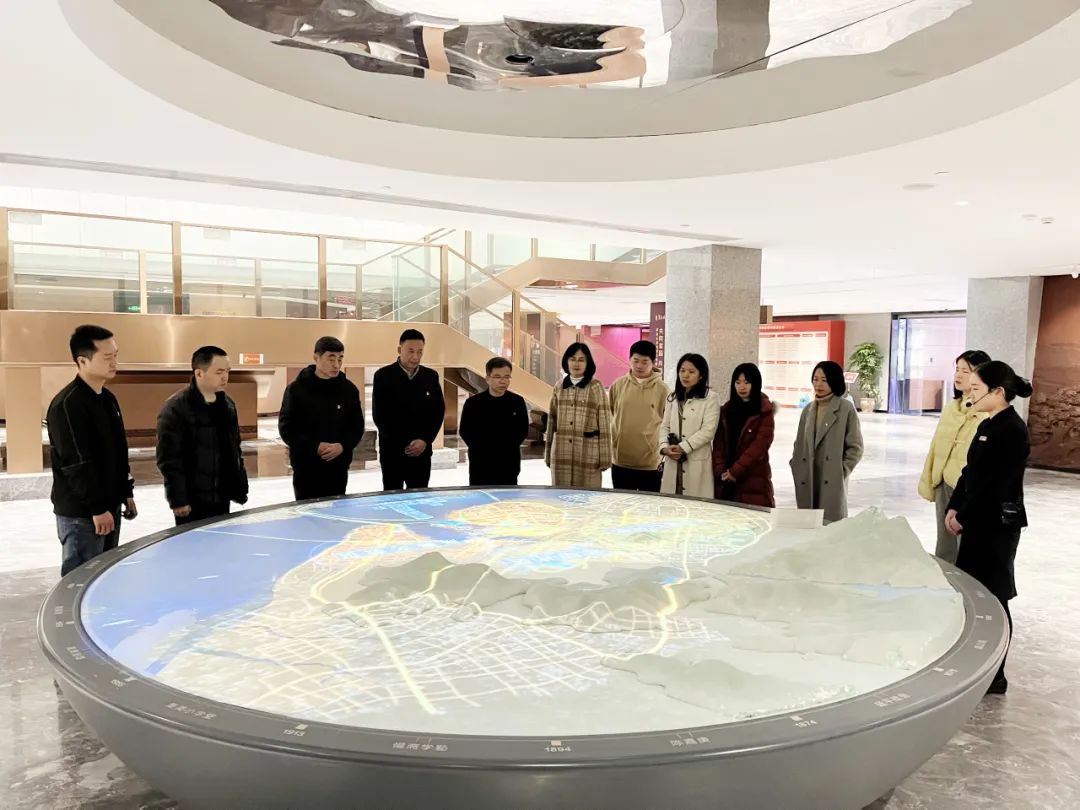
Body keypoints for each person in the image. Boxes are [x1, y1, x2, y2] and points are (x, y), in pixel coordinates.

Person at [945, 361, 1032, 695]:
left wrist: (964, 515)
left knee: (995, 595)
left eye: (977, 390)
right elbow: (970, 472)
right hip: (976, 521)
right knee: (974, 592)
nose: (970, 396)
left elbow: (995, 485)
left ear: (998, 392)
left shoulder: (1012, 430)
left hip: (996, 526)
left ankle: (996, 674)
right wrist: (955, 506)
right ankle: (977, 666)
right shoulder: (987, 424)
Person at [47, 325, 137, 576]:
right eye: (107, 357)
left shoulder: (107, 399)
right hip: (83, 514)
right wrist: (97, 508)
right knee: (81, 579)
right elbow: (76, 463)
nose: (114, 362)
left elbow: (119, 451)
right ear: (82, 361)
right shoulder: (67, 405)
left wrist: (125, 492)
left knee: (103, 577)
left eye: (115, 355)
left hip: (109, 505)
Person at [156, 346, 249, 525]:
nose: (225, 377)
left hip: (222, 494)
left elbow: (234, 448)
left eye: (228, 371)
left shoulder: (227, 405)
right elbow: (169, 458)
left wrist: (239, 487)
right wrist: (178, 499)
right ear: (199, 373)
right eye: (219, 372)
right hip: (192, 499)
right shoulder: (176, 408)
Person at [918, 349, 992, 563]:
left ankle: (964, 581)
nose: (958, 375)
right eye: (957, 369)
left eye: (965, 371)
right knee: (945, 542)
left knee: (965, 543)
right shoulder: (951, 408)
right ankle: (945, 578)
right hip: (943, 482)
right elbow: (935, 447)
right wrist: (930, 479)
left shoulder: (986, 414)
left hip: (966, 486)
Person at [279, 336, 365, 500]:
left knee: (336, 510)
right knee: (308, 511)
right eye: (331, 359)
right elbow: (287, 428)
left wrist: (342, 446)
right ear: (316, 357)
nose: (336, 365)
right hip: (306, 467)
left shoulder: (348, 390)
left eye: (340, 359)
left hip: (338, 466)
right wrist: (315, 447)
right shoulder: (297, 389)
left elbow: (356, 426)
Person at [790, 360, 864, 522]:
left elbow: (856, 447)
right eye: (815, 379)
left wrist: (841, 470)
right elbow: (799, 443)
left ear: (834, 381)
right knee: (808, 523)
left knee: (831, 526)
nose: (818, 384)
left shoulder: (845, 408)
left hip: (831, 478)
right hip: (808, 476)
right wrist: (796, 465)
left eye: (824, 380)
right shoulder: (808, 410)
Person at [372, 329, 445, 490]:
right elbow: (380, 416)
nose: (415, 357)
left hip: (422, 451)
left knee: (419, 496)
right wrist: (406, 443)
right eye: (410, 351)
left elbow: (437, 412)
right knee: (393, 497)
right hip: (392, 452)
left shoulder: (431, 376)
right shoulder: (383, 376)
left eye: (420, 352)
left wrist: (425, 440)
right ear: (399, 350)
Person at [545, 342, 612, 488]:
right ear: (566, 361)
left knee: (587, 494)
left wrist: (605, 457)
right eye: (573, 359)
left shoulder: (595, 387)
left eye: (581, 360)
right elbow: (551, 421)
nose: (576, 363)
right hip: (562, 451)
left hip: (588, 452)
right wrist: (548, 453)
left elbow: (605, 423)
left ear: (588, 363)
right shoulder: (559, 386)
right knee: (561, 494)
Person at [608, 340, 669, 492]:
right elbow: (611, 414)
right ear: (630, 360)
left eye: (644, 362)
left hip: (650, 463)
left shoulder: (663, 390)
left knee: (648, 505)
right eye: (635, 361)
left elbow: (667, 423)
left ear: (653, 362)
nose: (639, 366)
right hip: (621, 460)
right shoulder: (618, 385)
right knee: (622, 503)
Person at [712, 362, 776, 507]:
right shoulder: (726, 410)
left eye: (746, 383)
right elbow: (718, 444)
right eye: (738, 382)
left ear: (756, 384)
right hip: (725, 478)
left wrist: (735, 471)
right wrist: (720, 470)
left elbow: (759, 446)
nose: (742, 387)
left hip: (752, 477)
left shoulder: (764, 411)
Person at [459, 357, 530, 486]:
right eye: (497, 377)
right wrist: (483, 449)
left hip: (508, 463)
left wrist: (505, 448)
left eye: (507, 377)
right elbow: (465, 431)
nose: (503, 381)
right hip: (481, 464)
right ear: (488, 378)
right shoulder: (473, 403)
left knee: (508, 496)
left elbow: (522, 430)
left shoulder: (517, 402)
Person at [660, 353, 720, 498]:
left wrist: (683, 447)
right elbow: (664, 426)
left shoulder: (710, 398)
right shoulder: (673, 397)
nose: (685, 375)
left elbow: (708, 431)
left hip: (696, 460)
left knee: (695, 504)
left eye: (691, 372)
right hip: (672, 459)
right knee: (671, 503)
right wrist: (664, 448)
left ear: (701, 375)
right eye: (682, 371)